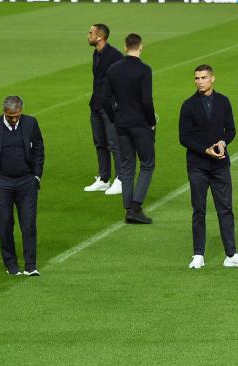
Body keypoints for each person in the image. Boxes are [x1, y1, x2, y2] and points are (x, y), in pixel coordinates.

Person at [179, 65, 238, 270]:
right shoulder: (188, 105)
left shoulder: (223, 102)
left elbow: (231, 130)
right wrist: (205, 150)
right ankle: (198, 254)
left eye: (203, 77)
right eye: (196, 78)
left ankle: (231, 254)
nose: (199, 81)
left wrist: (223, 142)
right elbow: (183, 138)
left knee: (225, 209)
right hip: (198, 167)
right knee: (199, 210)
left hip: (220, 165)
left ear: (212, 78)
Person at [0, 96, 45, 276]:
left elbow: (38, 148)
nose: (14, 119)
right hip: (1, 183)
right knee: (5, 225)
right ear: (3, 111)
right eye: (10, 116)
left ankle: (31, 265)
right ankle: (11, 265)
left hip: (26, 182)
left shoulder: (31, 123)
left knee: (29, 224)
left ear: (21, 111)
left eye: (17, 116)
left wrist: (36, 175)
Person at [103, 33, 156, 224]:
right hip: (140, 123)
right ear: (141, 47)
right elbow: (146, 100)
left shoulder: (113, 69)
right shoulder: (144, 70)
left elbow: (104, 99)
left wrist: (114, 118)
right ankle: (135, 208)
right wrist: (151, 121)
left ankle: (128, 208)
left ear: (125, 47)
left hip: (122, 124)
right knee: (147, 163)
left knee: (126, 166)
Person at [84, 24, 124, 195]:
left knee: (114, 143)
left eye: (91, 33)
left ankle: (121, 179)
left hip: (109, 107)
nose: (88, 36)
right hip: (96, 104)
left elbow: (122, 82)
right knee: (100, 143)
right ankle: (104, 178)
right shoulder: (96, 54)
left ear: (100, 37)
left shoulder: (115, 56)